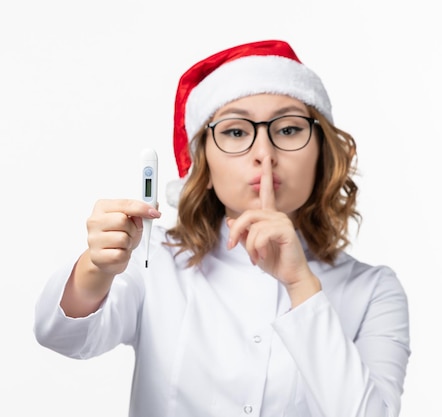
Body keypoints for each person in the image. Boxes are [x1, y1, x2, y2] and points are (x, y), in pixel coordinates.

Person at [33, 40, 410, 417]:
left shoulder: (374, 291)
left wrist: (301, 285)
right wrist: (96, 267)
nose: (264, 153)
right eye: (235, 132)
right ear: (203, 165)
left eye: (290, 129)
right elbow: (63, 336)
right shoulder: (154, 259)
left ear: (321, 155)